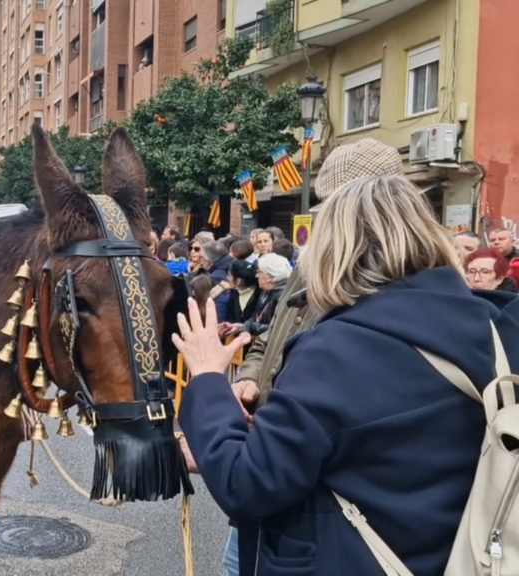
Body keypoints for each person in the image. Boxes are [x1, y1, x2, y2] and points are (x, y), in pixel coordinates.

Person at [173, 174, 519, 575]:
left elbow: (247, 483)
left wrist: (207, 380)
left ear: (334, 248)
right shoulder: (494, 326)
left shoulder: (338, 349)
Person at [222, 137, 407, 574]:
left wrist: (209, 396)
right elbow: (272, 336)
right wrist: (250, 376)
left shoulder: (390, 291)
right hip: (268, 465)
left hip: (318, 507)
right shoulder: (312, 269)